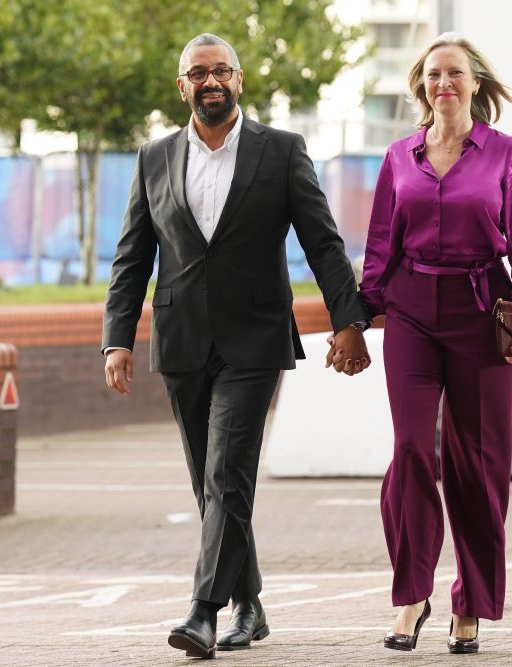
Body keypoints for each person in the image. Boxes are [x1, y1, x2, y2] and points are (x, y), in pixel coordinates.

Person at [101, 33, 371, 659]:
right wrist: (116, 339)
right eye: (198, 72)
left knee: (226, 472)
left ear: (240, 80)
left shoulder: (280, 151)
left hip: (255, 338)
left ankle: (202, 611)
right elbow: (132, 257)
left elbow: (323, 243)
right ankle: (249, 603)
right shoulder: (155, 157)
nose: (210, 80)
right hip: (182, 340)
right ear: (182, 86)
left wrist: (347, 320)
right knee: (212, 484)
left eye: (221, 70)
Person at [358, 33, 512, 654]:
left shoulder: (505, 153)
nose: (444, 83)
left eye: (455, 75)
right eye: (433, 74)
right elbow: (380, 244)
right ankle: (412, 595)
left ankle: (469, 601)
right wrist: (357, 317)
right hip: (412, 312)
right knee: (412, 448)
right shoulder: (398, 156)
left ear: (475, 84)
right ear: (422, 85)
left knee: (478, 461)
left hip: (481, 311)